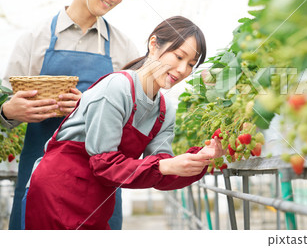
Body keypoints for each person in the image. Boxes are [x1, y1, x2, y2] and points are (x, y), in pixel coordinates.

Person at [0, 0, 152, 230]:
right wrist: (9, 111)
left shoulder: (124, 49)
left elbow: (136, 121)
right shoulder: (34, 40)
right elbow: (3, 109)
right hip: (39, 179)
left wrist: (96, 110)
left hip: (98, 187)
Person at [24, 16, 224, 230]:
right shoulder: (117, 87)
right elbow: (104, 164)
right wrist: (163, 165)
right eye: (179, 56)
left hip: (96, 199)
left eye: (191, 65)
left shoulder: (164, 110)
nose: (183, 70)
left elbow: (160, 173)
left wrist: (200, 159)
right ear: (154, 44)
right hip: (56, 191)